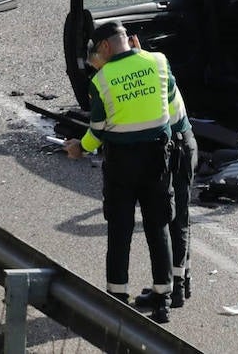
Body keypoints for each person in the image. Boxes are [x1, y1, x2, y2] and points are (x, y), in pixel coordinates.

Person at [64, 21, 177, 323]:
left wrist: (79, 148)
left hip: (122, 164)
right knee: (158, 225)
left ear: (104, 47)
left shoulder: (101, 81)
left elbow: (97, 132)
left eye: (95, 56)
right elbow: (168, 99)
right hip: (157, 158)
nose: (94, 63)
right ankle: (162, 297)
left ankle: (116, 297)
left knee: (120, 228)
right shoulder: (159, 61)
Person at [132, 38, 198, 312]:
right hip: (184, 142)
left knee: (171, 218)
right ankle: (181, 284)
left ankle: (174, 287)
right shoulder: (157, 68)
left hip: (176, 148)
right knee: (179, 218)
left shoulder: (146, 77)